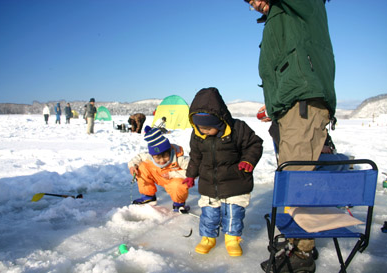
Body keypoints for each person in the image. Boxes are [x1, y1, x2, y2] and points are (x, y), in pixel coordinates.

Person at [245, 1, 337, 271]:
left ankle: (302, 254)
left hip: (302, 101)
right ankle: (297, 240)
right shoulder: (278, 14)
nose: (255, 5)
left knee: (299, 178)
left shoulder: (299, 4)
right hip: (290, 105)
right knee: (292, 175)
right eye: (250, 4)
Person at [183, 87, 263, 257]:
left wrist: (248, 160)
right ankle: (208, 238)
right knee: (209, 214)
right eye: (200, 127)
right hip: (209, 183)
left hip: (236, 182)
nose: (203, 131)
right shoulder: (197, 135)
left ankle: (232, 239)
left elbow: (254, 144)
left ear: (219, 122)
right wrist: (191, 175)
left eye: (207, 128)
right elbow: (195, 156)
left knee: (234, 213)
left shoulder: (238, 128)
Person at [128, 126, 190, 211]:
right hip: (159, 176)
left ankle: (179, 204)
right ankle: (148, 197)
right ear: (152, 155)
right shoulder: (149, 156)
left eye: (165, 156)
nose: (162, 161)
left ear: (170, 151)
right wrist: (133, 166)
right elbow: (137, 158)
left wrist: (172, 174)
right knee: (142, 166)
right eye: (158, 158)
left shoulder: (180, 159)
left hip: (174, 179)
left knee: (178, 185)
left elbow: (193, 171)